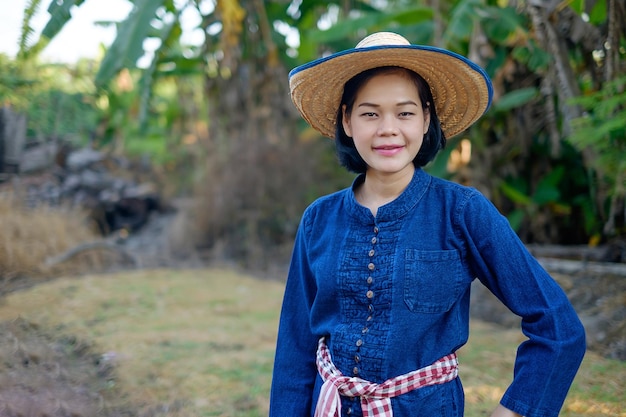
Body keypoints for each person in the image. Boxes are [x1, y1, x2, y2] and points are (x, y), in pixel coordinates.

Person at [269, 32, 586, 417]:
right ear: (347, 121)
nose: (388, 128)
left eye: (405, 112)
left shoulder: (462, 211)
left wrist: (517, 410)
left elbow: (558, 326)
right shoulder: (318, 219)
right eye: (370, 113)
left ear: (426, 120)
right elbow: (295, 348)